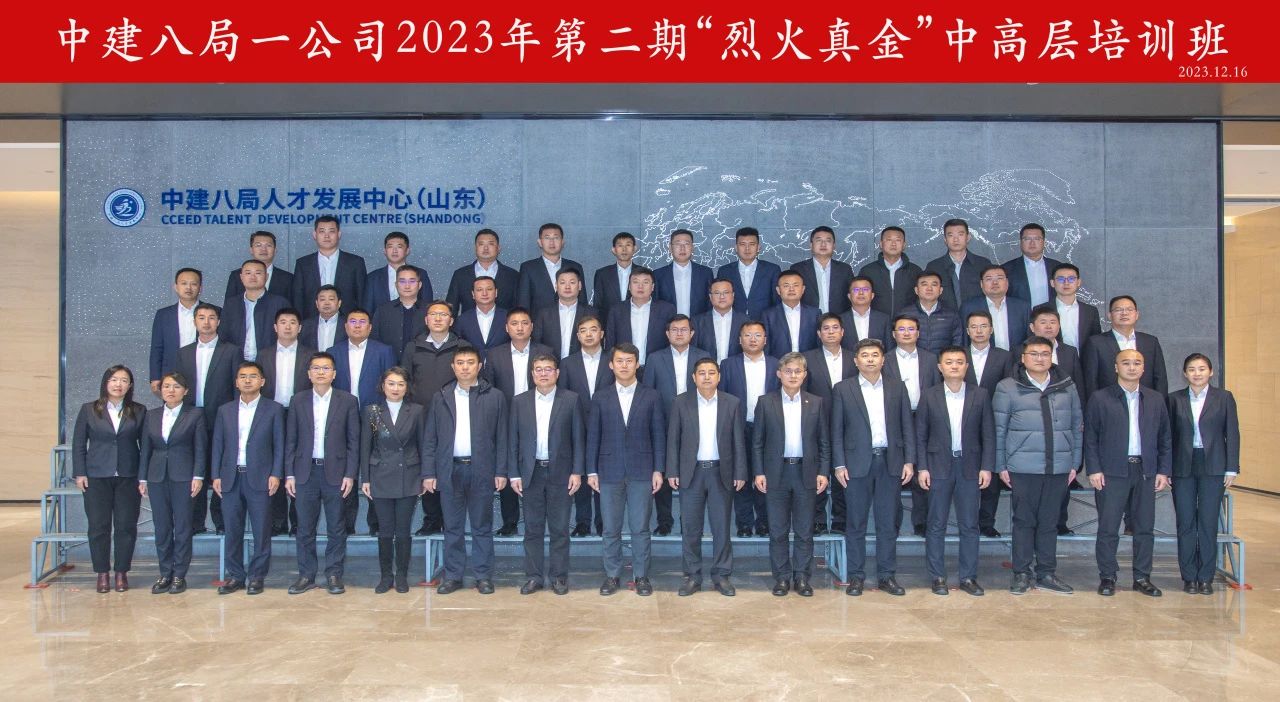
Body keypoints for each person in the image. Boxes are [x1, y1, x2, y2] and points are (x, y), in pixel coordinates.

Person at [993, 336, 1083, 595]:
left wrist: (1075, 463)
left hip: (1058, 466)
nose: (1040, 358)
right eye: (1034, 354)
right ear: (1023, 358)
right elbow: (999, 430)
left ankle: (1046, 573)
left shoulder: (1067, 386)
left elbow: (1077, 426)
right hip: (1022, 467)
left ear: (1052, 357)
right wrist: (1001, 465)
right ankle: (1021, 573)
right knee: (1024, 521)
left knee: (1049, 522)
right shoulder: (1008, 387)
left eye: (1045, 353)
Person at [1083, 349, 1172, 597]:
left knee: (1144, 528)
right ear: (1116, 367)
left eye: (1137, 363)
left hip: (1145, 471)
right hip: (1111, 472)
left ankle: (1142, 577)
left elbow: (1165, 437)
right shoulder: (1100, 398)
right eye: (1126, 363)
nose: (1131, 367)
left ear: (1143, 368)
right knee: (1108, 527)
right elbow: (1090, 437)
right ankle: (1107, 576)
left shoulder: (1155, 399)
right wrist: (1094, 468)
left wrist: (1163, 470)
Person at [831, 339, 916, 596]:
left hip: (890, 462)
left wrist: (909, 460)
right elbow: (836, 430)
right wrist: (839, 464)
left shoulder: (897, 387)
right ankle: (856, 576)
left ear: (883, 359)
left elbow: (907, 426)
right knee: (855, 523)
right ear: (856, 361)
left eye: (875, 355)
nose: (870, 359)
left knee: (887, 524)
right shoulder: (843, 389)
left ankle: (887, 576)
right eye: (865, 355)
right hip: (855, 465)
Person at [423, 346, 509, 595]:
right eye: (460, 362)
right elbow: (430, 438)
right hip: (450, 470)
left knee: (482, 525)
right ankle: (453, 576)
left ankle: (483, 576)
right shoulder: (441, 397)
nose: (465, 367)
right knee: (452, 526)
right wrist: (429, 473)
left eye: (470, 362)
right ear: (453, 367)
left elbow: (502, 437)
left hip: (482, 469)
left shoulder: (494, 396)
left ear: (479, 366)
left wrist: (501, 471)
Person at [586, 343, 666, 596]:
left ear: (637, 364)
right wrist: (591, 471)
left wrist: (658, 469)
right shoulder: (600, 397)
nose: (624, 365)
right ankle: (612, 575)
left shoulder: (651, 396)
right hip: (608, 471)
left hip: (642, 471)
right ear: (611, 365)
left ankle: (641, 576)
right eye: (619, 361)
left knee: (640, 528)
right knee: (610, 528)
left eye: (629, 361)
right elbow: (593, 436)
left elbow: (658, 435)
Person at [914, 347, 995, 597]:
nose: (954, 366)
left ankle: (968, 577)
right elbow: (920, 435)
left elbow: (988, 434)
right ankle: (937, 576)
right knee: (936, 524)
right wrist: (922, 467)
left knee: (969, 525)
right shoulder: (929, 395)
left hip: (970, 467)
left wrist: (987, 466)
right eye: (949, 362)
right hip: (937, 466)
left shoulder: (980, 394)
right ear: (940, 367)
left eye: (959, 362)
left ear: (966, 367)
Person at [666, 358, 747, 597]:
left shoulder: (732, 403)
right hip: (691, 473)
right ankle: (692, 576)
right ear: (694, 378)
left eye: (712, 372)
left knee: (721, 527)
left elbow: (738, 440)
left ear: (719, 377)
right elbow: (673, 439)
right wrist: (672, 471)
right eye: (702, 373)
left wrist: (740, 472)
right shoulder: (681, 402)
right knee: (691, 528)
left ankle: (721, 575)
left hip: (721, 472)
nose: (707, 377)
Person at [753, 353, 830, 597]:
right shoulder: (766, 402)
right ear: (779, 374)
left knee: (805, 530)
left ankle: (802, 577)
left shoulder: (816, 402)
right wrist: (758, 472)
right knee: (778, 530)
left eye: (798, 371)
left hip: (806, 473)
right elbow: (757, 442)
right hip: (776, 473)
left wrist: (823, 471)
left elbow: (823, 441)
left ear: (805, 375)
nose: (793, 375)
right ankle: (782, 578)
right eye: (788, 371)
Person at [284, 352, 361, 596]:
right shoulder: (298, 400)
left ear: (334, 374)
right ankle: (306, 575)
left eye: (326, 368)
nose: (320, 372)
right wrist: (289, 474)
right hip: (304, 472)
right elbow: (291, 440)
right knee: (304, 528)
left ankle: (334, 573)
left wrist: (350, 474)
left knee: (336, 527)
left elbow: (354, 441)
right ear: (308, 374)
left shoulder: (348, 401)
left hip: (336, 473)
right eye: (316, 368)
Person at [509, 354, 585, 595]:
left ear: (557, 373)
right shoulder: (519, 401)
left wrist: (577, 471)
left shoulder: (571, 400)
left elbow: (578, 439)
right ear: (532, 374)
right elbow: (513, 441)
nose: (543, 373)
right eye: (539, 369)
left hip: (561, 473)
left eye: (548, 369)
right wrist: (514, 474)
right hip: (530, 473)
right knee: (532, 529)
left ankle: (559, 577)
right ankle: (534, 577)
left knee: (559, 529)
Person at [1168, 353, 1240, 595]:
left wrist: (1231, 467)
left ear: (1211, 372)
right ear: (1184, 373)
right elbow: (1168, 437)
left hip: (1214, 466)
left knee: (1208, 522)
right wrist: (1165, 468)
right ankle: (1189, 577)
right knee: (1186, 522)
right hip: (1182, 466)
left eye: (1201, 369)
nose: (1196, 373)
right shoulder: (1174, 399)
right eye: (1191, 369)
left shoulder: (1224, 398)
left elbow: (1232, 433)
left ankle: (1206, 577)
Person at [211, 361, 285, 595]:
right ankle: (235, 576)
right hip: (230, 477)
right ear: (236, 382)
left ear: (262, 381)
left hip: (261, 478)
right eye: (242, 376)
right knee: (232, 529)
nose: (247, 380)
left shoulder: (273, 409)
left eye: (253, 376)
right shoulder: (225, 410)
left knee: (261, 530)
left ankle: (257, 576)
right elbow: (218, 444)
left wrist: (276, 473)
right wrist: (215, 475)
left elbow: (279, 445)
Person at [72, 365, 146, 594]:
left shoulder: (139, 410)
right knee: (98, 526)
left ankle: (121, 572)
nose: (118, 384)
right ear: (106, 382)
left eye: (124, 380)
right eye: (114, 379)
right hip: (96, 477)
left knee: (126, 526)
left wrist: (143, 477)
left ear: (130, 386)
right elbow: (78, 444)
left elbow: (145, 446)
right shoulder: (89, 409)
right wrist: (80, 473)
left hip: (128, 477)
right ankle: (102, 573)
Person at [481, 307, 552, 536]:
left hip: (538, 415)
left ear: (532, 327)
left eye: (524, 323)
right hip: (505, 417)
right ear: (506, 328)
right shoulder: (494, 354)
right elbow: (488, 388)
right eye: (514, 323)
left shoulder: (546, 351)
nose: (520, 328)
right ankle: (510, 521)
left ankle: (543, 520)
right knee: (507, 464)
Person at [401, 300, 470, 536]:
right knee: (427, 466)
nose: (438, 318)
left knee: (451, 467)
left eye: (443, 314)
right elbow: (405, 381)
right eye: (433, 314)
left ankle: (452, 520)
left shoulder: (462, 347)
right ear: (426, 320)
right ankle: (431, 519)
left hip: (456, 416)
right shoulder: (413, 347)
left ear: (451, 320)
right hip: (422, 417)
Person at [359, 367, 430, 594]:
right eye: (391, 383)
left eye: (400, 384)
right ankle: (385, 576)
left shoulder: (416, 411)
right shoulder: (372, 411)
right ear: (383, 386)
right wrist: (365, 478)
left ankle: (401, 576)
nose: (396, 388)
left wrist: (424, 476)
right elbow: (365, 446)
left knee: (403, 530)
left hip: (408, 476)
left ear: (407, 387)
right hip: (380, 475)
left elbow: (423, 445)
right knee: (385, 530)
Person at [138, 371, 207, 594]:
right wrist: (143, 478)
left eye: (177, 386)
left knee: (183, 527)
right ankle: (165, 573)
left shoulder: (194, 414)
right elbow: (145, 449)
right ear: (160, 390)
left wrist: (198, 476)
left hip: (184, 477)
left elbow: (200, 448)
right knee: (162, 527)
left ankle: (179, 575)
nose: (171, 390)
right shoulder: (151, 415)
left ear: (185, 391)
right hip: (157, 476)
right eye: (167, 386)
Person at [642, 315, 712, 535]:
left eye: (684, 330)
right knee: (663, 470)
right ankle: (664, 520)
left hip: (696, 422)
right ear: (667, 334)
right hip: (662, 422)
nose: (679, 333)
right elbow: (648, 392)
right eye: (674, 330)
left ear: (692, 333)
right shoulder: (655, 358)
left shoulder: (703, 356)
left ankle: (687, 520)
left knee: (691, 473)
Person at [175, 303, 241, 535]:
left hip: (221, 417)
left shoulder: (231, 351)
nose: (206, 322)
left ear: (218, 322)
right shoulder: (183, 352)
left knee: (221, 469)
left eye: (211, 317)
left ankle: (221, 521)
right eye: (201, 317)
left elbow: (237, 387)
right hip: (190, 419)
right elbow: (178, 387)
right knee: (195, 469)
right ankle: (195, 521)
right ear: (194, 322)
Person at [331, 308, 397, 535]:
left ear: (370, 327)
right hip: (341, 416)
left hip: (375, 415)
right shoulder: (333, 352)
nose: (357, 325)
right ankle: (346, 524)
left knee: (375, 467)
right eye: (353, 321)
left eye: (362, 321)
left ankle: (375, 523)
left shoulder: (384, 350)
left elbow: (390, 382)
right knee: (345, 468)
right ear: (345, 326)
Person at [258, 307, 315, 536]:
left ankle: (297, 521)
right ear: (275, 327)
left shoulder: (311, 355)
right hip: (271, 413)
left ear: (300, 328)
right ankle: (277, 520)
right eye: (283, 322)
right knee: (274, 464)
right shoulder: (263, 355)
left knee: (298, 464)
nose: (288, 326)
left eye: (293, 322)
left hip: (300, 412)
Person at [718, 321, 778, 537]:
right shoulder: (728, 365)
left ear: (765, 339)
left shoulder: (776, 364)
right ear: (739, 340)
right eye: (747, 335)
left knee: (766, 474)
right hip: (738, 426)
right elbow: (722, 397)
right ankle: (744, 523)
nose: (753, 339)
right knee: (740, 475)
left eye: (757, 335)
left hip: (769, 427)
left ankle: (764, 522)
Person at [883, 314, 941, 537]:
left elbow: (936, 389)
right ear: (893, 334)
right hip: (894, 418)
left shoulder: (931, 359)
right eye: (901, 329)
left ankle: (921, 522)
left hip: (923, 416)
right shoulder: (884, 359)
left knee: (923, 469)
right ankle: (893, 523)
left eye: (910, 329)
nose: (906, 333)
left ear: (918, 333)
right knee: (895, 470)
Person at [803, 314, 858, 535]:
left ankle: (841, 519)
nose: (831, 332)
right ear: (819, 334)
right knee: (817, 469)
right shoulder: (808, 358)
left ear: (843, 332)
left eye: (835, 328)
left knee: (844, 471)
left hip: (849, 423)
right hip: (817, 421)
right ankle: (817, 519)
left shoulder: (854, 358)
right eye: (826, 328)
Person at [559, 315, 612, 537]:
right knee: (579, 471)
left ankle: (602, 521)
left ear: (602, 334)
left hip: (607, 426)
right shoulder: (567, 363)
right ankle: (582, 522)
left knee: (603, 474)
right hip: (576, 425)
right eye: (583, 330)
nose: (589, 334)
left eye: (593, 329)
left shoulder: (613, 360)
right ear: (578, 336)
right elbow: (562, 397)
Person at [965, 310, 1014, 538]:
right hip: (962, 421)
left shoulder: (1003, 356)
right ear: (967, 331)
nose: (979, 331)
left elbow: (1009, 388)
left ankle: (986, 522)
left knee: (991, 473)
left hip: (994, 420)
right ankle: (967, 522)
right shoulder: (958, 355)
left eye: (983, 326)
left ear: (991, 330)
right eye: (974, 326)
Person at [1082, 295, 1168, 398]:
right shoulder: (1096, 343)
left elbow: (1160, 378)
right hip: (1109, 402)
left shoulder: (1150, 342)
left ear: (1137, 315)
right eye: (1118, 310)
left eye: (1129, 309)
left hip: (1145, 402)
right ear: (1109, 315)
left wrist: (1160, 404)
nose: (1124, 313)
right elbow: (1091, 380)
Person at [149, 267, 217, 394]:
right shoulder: (163, 314)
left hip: (203, 369)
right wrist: (155, 377)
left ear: (200, 288)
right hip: (172, 373)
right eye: (184, 283)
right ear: (176, 287)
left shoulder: (214, 312)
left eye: (193, 284)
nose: (188, 288)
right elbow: (157, 348)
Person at [291, 215, 367, 318]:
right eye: (322, 231)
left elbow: (362, 297)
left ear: (339, 234)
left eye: (331, 231)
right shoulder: (303, 264)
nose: (326, 236)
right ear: (315, 235)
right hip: (311, 321)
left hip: (346, 321)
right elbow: (298, 299)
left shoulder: (355, 263)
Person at [605, 266, 676, 368]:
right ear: (629, 286)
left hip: (658, 367)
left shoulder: (667, 310)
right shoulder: (616, 310)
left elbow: (672, 342)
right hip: (625, 368)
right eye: (636, 282)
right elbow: (610, 343)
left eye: (645, 282)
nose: (640, 286)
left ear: (652, 287)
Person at [220, 259, 290, 363]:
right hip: (237, 361)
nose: (253, 277)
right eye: (248, 273)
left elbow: (287, 335)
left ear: (266, 277)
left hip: (270, 361)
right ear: (241, 277)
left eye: (258, 273)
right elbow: (223, 335)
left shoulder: (280, 303)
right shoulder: (231, 304)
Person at [515, 222, 586, 312]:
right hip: (538, 320)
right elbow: (523, 303)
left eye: (556, 238)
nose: (552, 242)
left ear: (562, 242)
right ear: (540, 242)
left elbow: (583, 301)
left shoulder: (576, 267)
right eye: (547, 238)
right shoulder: (528, 268)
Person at [926, 218, 994, 310]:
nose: (956, 239)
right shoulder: (934, 267)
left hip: (977, 316)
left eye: (960, 234)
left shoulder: (983, 264)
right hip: (945, 317)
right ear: (945, 239)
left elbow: (992, 295)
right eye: (950, 235)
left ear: (968, 237)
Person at [445, 228, 519, 313]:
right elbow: (451, 309)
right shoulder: (460, 275)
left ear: (498, 248)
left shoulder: (513, 276)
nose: (486, 248)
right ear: (475, 248)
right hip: (469, 321)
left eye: (491, 244)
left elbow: (518, 309)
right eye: (481, 244)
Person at [959, 265, 1030, 351]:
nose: (995, 282)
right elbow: (964, 340)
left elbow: (1029, 338)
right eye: (989, 279)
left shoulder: (1022, 307)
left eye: (999, 278)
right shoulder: (969, 308)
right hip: (984, 358)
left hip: (1017, 358)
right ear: (981, 284)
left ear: (1007, 282)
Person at [716, 227, 781, 320]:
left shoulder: (772, 270)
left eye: (752, 244)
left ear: (758, 247)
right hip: (733, 322)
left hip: (764, 322)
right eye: (742, 244)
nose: (747, 248)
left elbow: (777, 301)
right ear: (736, 248)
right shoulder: (725, 271)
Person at [532, 269, 597, 359]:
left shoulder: (591, 313)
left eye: (572, 282)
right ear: (556, 286)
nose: (567, 287)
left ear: (579, 286)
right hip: (551, 365)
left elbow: (596, 345)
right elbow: (536, 344)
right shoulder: (544, 314)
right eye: (562, 283)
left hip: (581, 364)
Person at [858, 226, 922, 317]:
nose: (893, 244)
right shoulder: (868, 271)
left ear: (904, 245)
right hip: (876, 322)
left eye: (898, 240)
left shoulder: (915, 271)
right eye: (889, 240)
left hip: (906, 323)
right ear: (881, 244)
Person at [791, 226, 854, 316]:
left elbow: (852, 296)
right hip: (807, 320)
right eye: (819, 240)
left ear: (834, 246)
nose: (823, 244)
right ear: (811, 245)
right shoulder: (798, 269)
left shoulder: (845, 269)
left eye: (828, 241)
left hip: (838, 321)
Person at [364, 231, 432, 312]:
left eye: (399, 247)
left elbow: (427, 304)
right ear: (385, 251)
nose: (394, 251)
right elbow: (367, 308)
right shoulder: (373, 277)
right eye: (390, 247)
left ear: (407, 251)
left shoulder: (421, 274)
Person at [653, 228, 714, 317]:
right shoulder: (658, 275)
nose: (682, 248)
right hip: (668, 324)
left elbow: (711, 302)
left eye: (686, 244)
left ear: (692, 247)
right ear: (670, 248)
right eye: (678, 244)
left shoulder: (705, 273)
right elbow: (655, 305)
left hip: (698, 323)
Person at [224, 230, 294, 304]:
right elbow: (229, 305)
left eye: (268, 245)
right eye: (258, 245)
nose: (263, 249)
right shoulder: (236, 276)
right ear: (251, 250)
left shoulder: (288, 278)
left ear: (275, 250)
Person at [901, 270, 962, 355]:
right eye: (924, 284)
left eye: (934, 284)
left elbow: (957, 342)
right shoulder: (905, 315)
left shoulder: (951, 315)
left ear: (941, 290)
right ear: (916, 290)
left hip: (942, 362)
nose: (929, 288)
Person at [371, 265, 428, 353]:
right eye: (402, 281)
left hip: (422, 360)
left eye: (412, 281)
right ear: (396, 285)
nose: (407, 286)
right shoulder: (383, 310)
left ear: (419, 285)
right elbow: (374, 341)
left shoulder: (429, 310)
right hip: (390, 360)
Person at [761, 270, 820, 355]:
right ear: (778, 290)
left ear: (803, 289)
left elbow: (819, 343)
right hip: (778, 362)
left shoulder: (815, 314)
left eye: (796, 285)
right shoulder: (768, 315)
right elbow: (765, 345)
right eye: (786, 286)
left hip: (808, 361)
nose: (791, 289)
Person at [1002, 223, 1062, 306]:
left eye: (1037, 239)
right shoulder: (1006, 269)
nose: (1032, 243)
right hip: (1020, 314)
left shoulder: (1057, 267)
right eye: (1027, 239)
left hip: (1051, 313)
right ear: (1021, 242)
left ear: (1044, 242)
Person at [453, 276, 510, 359]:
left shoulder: (509, 317)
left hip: (502, 364)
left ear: (496, 292)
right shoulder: (462, 320)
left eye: (489, 289)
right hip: (472, 365)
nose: (484, 293)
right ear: (473, 294)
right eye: (479, 290)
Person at [692, 278, 747, 362]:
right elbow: (693, 351)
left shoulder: (745, 321)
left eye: (726, 292)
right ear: (710, 297)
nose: (722, 297)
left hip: (736, 368)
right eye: (717, 293)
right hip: (707, 369)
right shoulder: (697, 322)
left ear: (733, 295)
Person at [1051, 263, 1101, 352]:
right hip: (1052, 359)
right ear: (1052, 283)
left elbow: (1096, 341)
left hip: (1083, 359)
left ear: (1078, 282)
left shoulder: (1090, 311)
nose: (1066, 283)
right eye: (1061, 279)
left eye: (1071, 279)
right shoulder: (1041, 309)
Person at [838, 276, 891, 350]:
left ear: (872, 295)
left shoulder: (884, 319)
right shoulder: (839, 320)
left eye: (865, 289)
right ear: (849, 296)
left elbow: (889, 348)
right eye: (856, 289)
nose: (861, 293)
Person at [592, 231, 637, 312]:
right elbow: (597, 305)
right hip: (608, 319)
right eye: (620, 245)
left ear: (634, 249)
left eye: (628, 245)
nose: (624, 249)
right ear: (614, 250)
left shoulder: (643, 274)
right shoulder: (602, 274)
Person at [299, 285, 347, 352]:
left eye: (331, 299)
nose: (326, 303)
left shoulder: (347, 324)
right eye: (322, 299)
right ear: (316, 304)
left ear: (339, 303)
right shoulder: (305, 326)